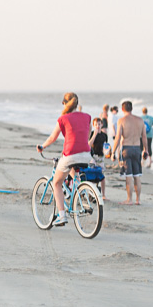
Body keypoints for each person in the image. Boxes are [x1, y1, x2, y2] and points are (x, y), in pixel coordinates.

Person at [38, 92, 93, 226]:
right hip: (86, 153)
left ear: (64, 103)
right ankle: (81, 194)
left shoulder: (63, 118)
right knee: (75, 175)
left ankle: (62, 215)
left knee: (57, 183)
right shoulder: (87, 117)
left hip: (70, 154)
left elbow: (53, 137)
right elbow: (88, 134)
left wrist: (42, 146)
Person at [111, 101, 147, 204]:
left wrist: (113, 152)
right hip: (137, 148)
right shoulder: (140, 120)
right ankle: (138, 200)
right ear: (132, 108)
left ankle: (129, 199)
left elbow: (118, 137)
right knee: (137, 175)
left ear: (122, 109)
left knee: (129, 175)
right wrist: (146, 150)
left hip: (126, 148)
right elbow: (144, 136)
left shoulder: (121, 120)